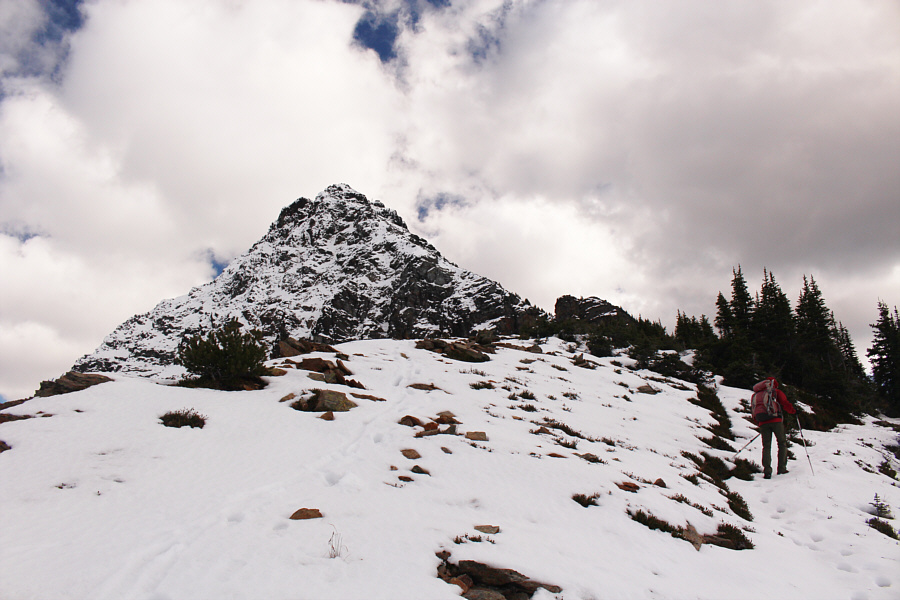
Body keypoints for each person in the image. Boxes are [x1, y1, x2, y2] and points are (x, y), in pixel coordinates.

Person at [753, 377, 796, 479]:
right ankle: (782, 468)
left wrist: (759, 422)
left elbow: (754, 410)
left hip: (763, 422)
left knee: (766, 446)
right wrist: (793, 411)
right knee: (782, 443)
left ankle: (767, 471)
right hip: (776, 420)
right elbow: (784, 403)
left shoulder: (756, 395)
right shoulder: (775, 392)